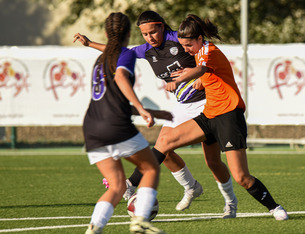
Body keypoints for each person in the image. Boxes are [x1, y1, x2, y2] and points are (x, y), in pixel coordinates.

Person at [74, 10, 238, 218]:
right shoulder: (146, 50)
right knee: (164, 149)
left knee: (213, 162)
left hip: (206, 103)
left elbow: (204, 52)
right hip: (183, 106)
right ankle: (191, 187)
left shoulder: (177, 38)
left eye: (153, 32)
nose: (149, 38)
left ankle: (230, 203)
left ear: (162, 26)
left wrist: (202, 74)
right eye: (144, 34)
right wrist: (90, 44)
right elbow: (118, 52)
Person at [156, 14, 289, 221]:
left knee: (242, 177)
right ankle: (135, 187)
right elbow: (202, 72)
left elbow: (201, 68)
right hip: (209, 115)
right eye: (183, 46)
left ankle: (274, 207)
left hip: (228, 116)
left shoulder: (208, 50)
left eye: (189, 45)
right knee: (165, 142)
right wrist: (198, 79)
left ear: (200, 39)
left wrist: (182, 78)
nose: (185, 50)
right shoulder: (198, 52)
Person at [82, 12, 167, 234]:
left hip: (92, 127)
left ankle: (94, 227)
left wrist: (148, 111)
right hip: (115, 125)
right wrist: (140, 108)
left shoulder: (99, 61)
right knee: (150, 169)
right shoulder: (125, 54)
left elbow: (109, 99)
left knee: (117, 185)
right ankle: (140, 221)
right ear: (130, 33)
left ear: (105, 33)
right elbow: (120, 77)